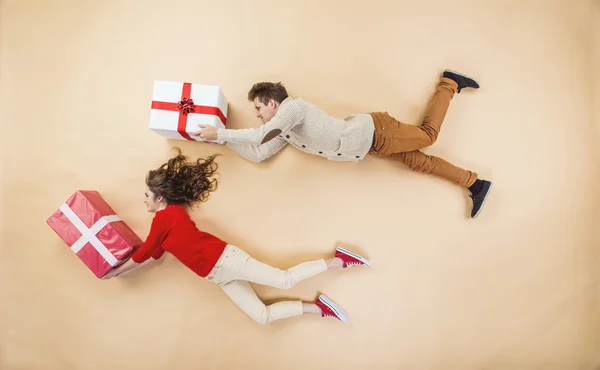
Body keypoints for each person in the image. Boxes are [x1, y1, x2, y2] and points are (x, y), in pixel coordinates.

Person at [103, 148, 370, 325]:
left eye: (147, 196)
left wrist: (115, 271)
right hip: (218, 275)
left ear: (160, 198)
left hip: (226, 260)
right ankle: (319, 308)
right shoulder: (164, 224)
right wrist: (122, 269)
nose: (144, 200)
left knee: (283, 279)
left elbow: (144, 252)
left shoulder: (167, 216)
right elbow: (154, 254)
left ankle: (338, 260)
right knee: (261, 316)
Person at [193, 69, 492, 219]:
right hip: (372, 145)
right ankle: (476, 185)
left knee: (428, 136)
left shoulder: (292, 109)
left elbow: (259, 135)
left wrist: (220, 134)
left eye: (259, 109)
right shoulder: (285, 130)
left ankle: (449, 83)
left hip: (378, 131)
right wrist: (223, 140)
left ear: (272, 102)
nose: (258, 116)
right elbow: (260, 153)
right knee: (420, 162)